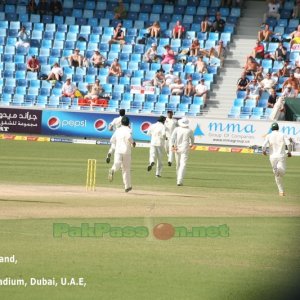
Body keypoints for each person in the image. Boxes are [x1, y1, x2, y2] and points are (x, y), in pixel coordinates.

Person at [262, 122, 292, 196]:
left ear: (271, 129)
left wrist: (264, 151)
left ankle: (281, 191)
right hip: (281, 155)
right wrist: (289, 152)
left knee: (277, 175)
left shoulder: (268, 135)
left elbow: (263, 145)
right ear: (278, 128)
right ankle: (278, 169)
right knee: (282, 173)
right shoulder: (282, 134)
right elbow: (289, 144)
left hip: (272, 157)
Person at [108, 116, 136, 193]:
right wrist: (133, 143)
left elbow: (112, 140)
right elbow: (129, 137)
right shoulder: (128, 129)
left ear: (121, 123)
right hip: (126, 151)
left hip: (118, 150)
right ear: (128, 123)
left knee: (117, 163)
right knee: (126, 169)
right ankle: (127, 186)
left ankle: (112, 170)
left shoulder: (117, 130)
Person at [171, 117, 194, 186]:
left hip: (177, 148)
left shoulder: (177, 129)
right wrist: (191, 144)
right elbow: (192, 139)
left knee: (178, 164)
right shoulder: (189, 130)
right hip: (185, 148)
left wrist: (172, 145)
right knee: (183, 164)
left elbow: (172, 138)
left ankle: (178, 179)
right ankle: (179, 180)